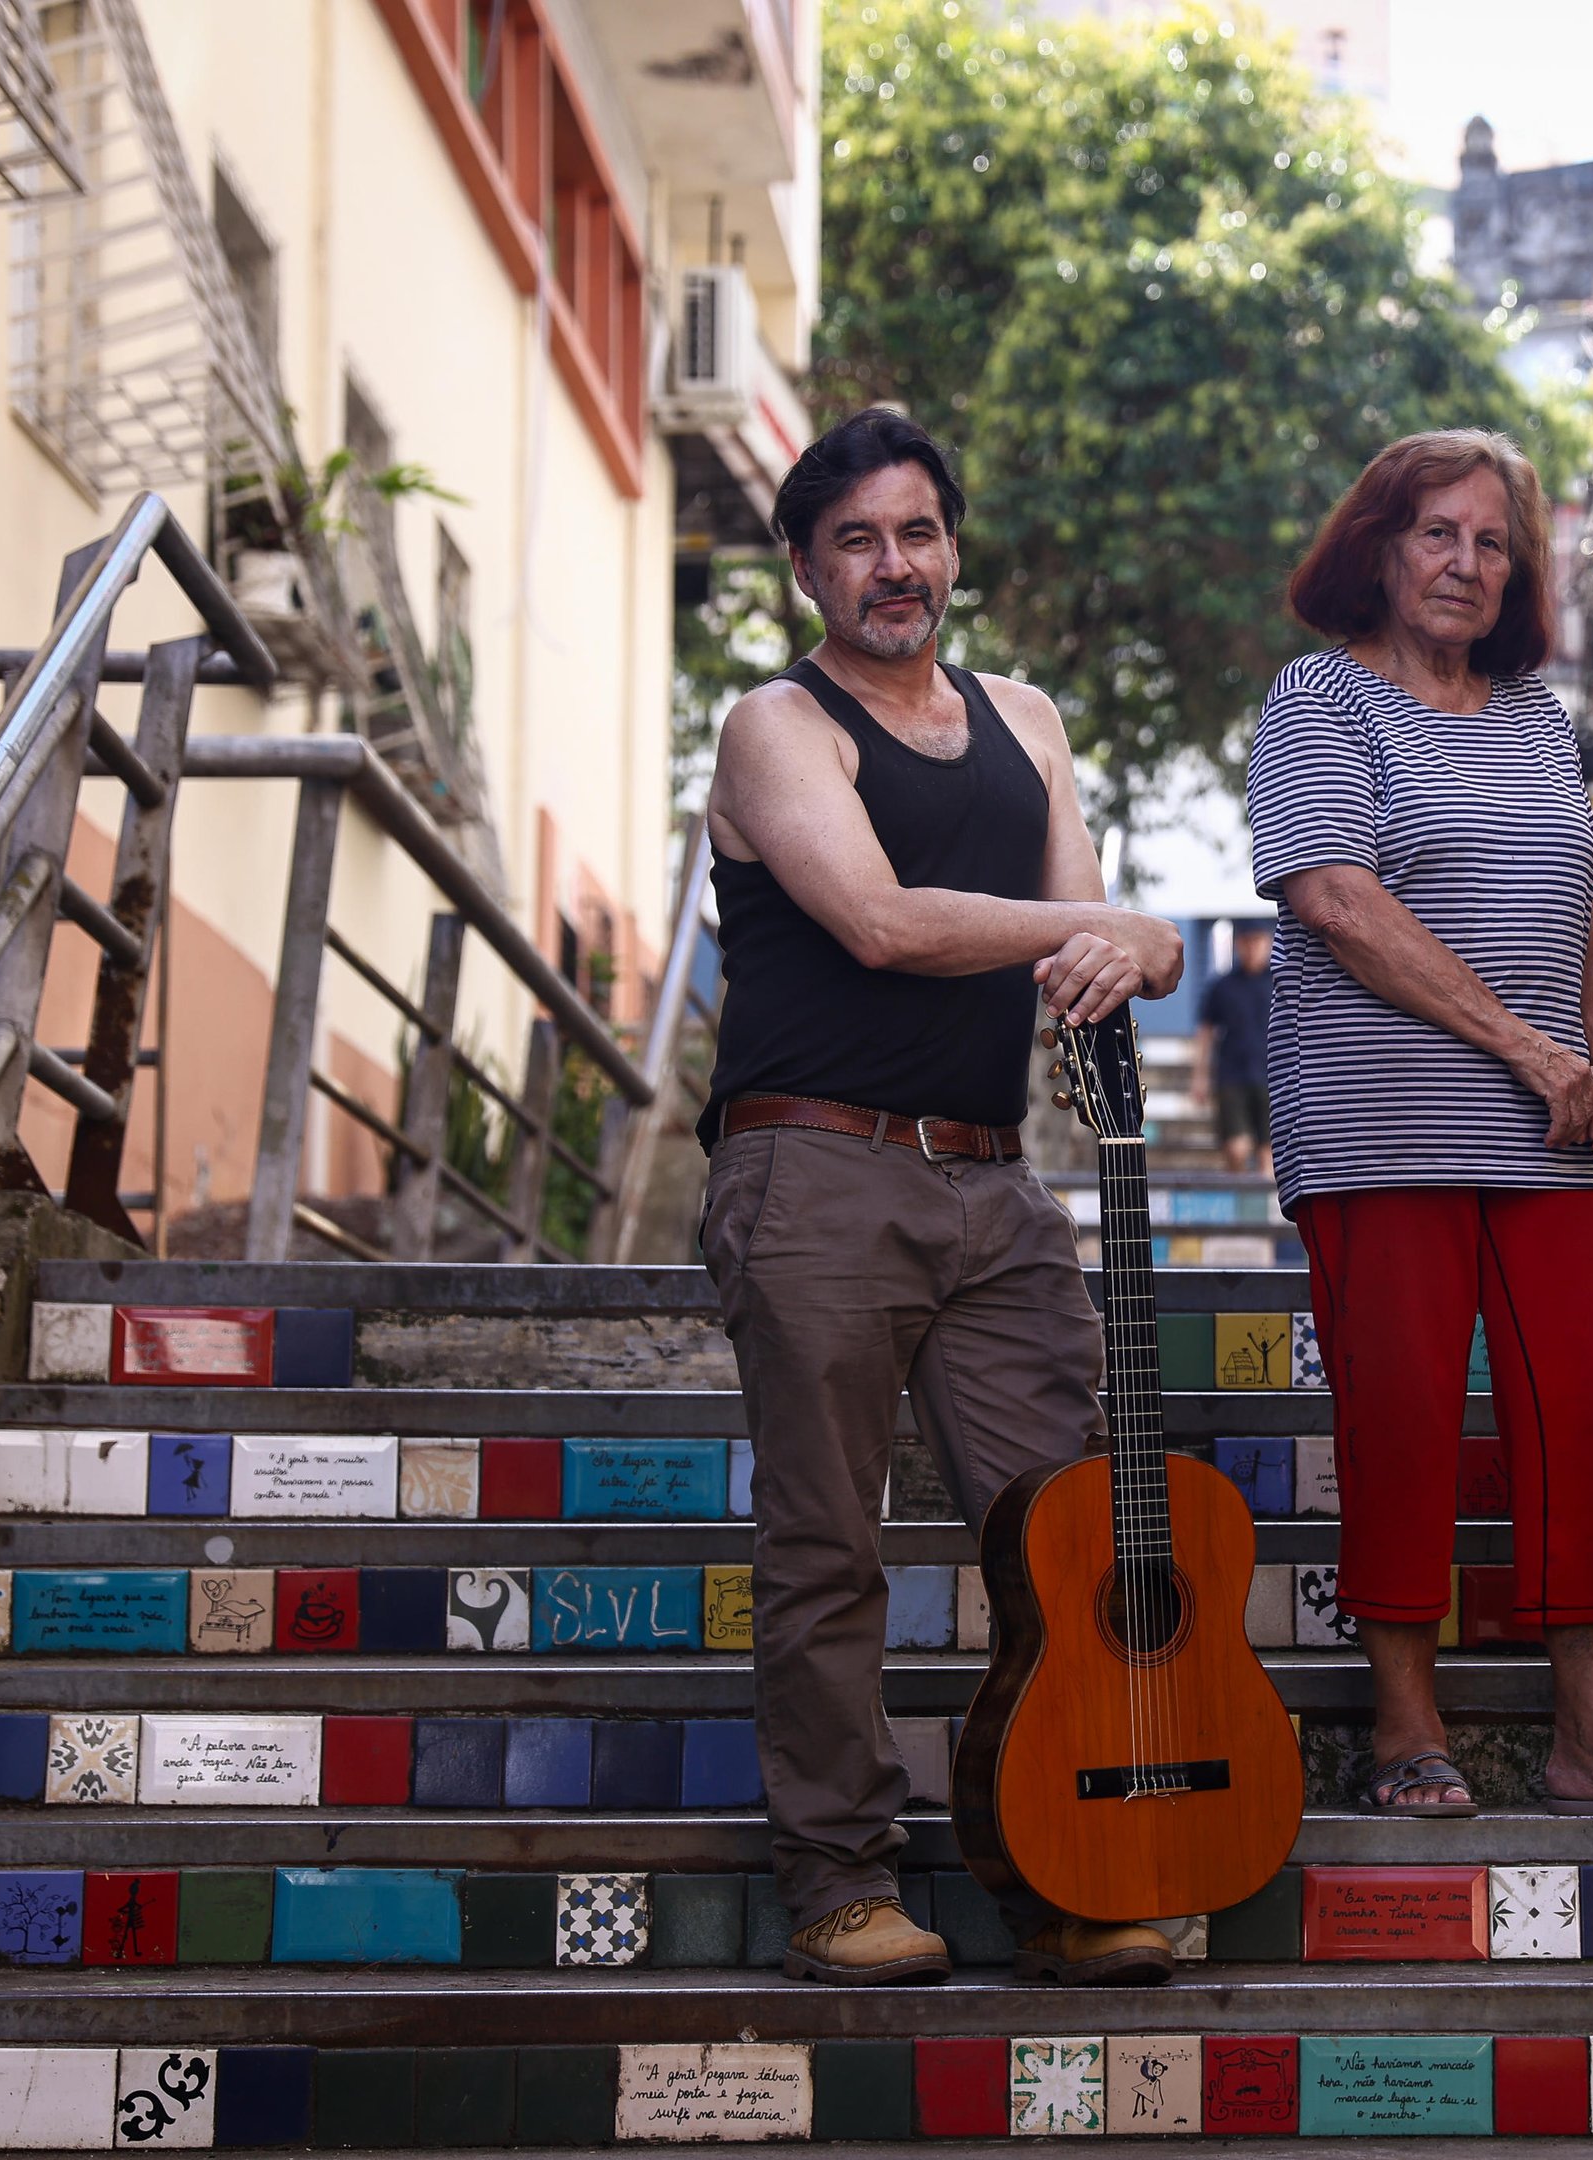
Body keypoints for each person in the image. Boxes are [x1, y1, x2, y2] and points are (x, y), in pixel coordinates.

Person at [697, 409, 1188, 1989]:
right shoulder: (777, 725)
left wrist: (1140, 942)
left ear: (951, 547)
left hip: (993, 1186)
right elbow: (885, 923)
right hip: (813, 1168)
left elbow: (1083, 938)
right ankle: (841, 1878)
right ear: (803, 567)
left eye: (915, 532)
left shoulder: (1024, 718)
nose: (890, 565)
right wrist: (1112, 917)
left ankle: (1072, 1867)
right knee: (824, 1547)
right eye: (853, 539)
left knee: (1066, 1543)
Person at [1247, 428, 1593, 1819]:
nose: (1464, 564)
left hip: (1547, 1142)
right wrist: (1531, 1051)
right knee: (1401, 1416)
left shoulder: (1533, 716)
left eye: (1490, 541)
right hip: (1377, 1130)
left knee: (1582, 1415)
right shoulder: (1318, 703)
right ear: (1377, 546)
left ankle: (1591, 1735)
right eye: (1435, 533)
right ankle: (1407, 1728)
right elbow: (1336, 903)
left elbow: (1589, 904)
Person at [1192, 922, 1275, 1171]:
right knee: (1236, 1147)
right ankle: (1237, 1203)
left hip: (1271, 1075)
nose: (1252, 948)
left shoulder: (1279, 982)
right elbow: (1206, 1032)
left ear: (1268, 943)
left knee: (1268, 1154)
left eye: (1258, 941)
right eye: (1247, 942)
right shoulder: (1223, 986)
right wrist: (1200, 1077)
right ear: (1238, 945)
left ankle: (1261, 1211)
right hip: (1232, 1075)